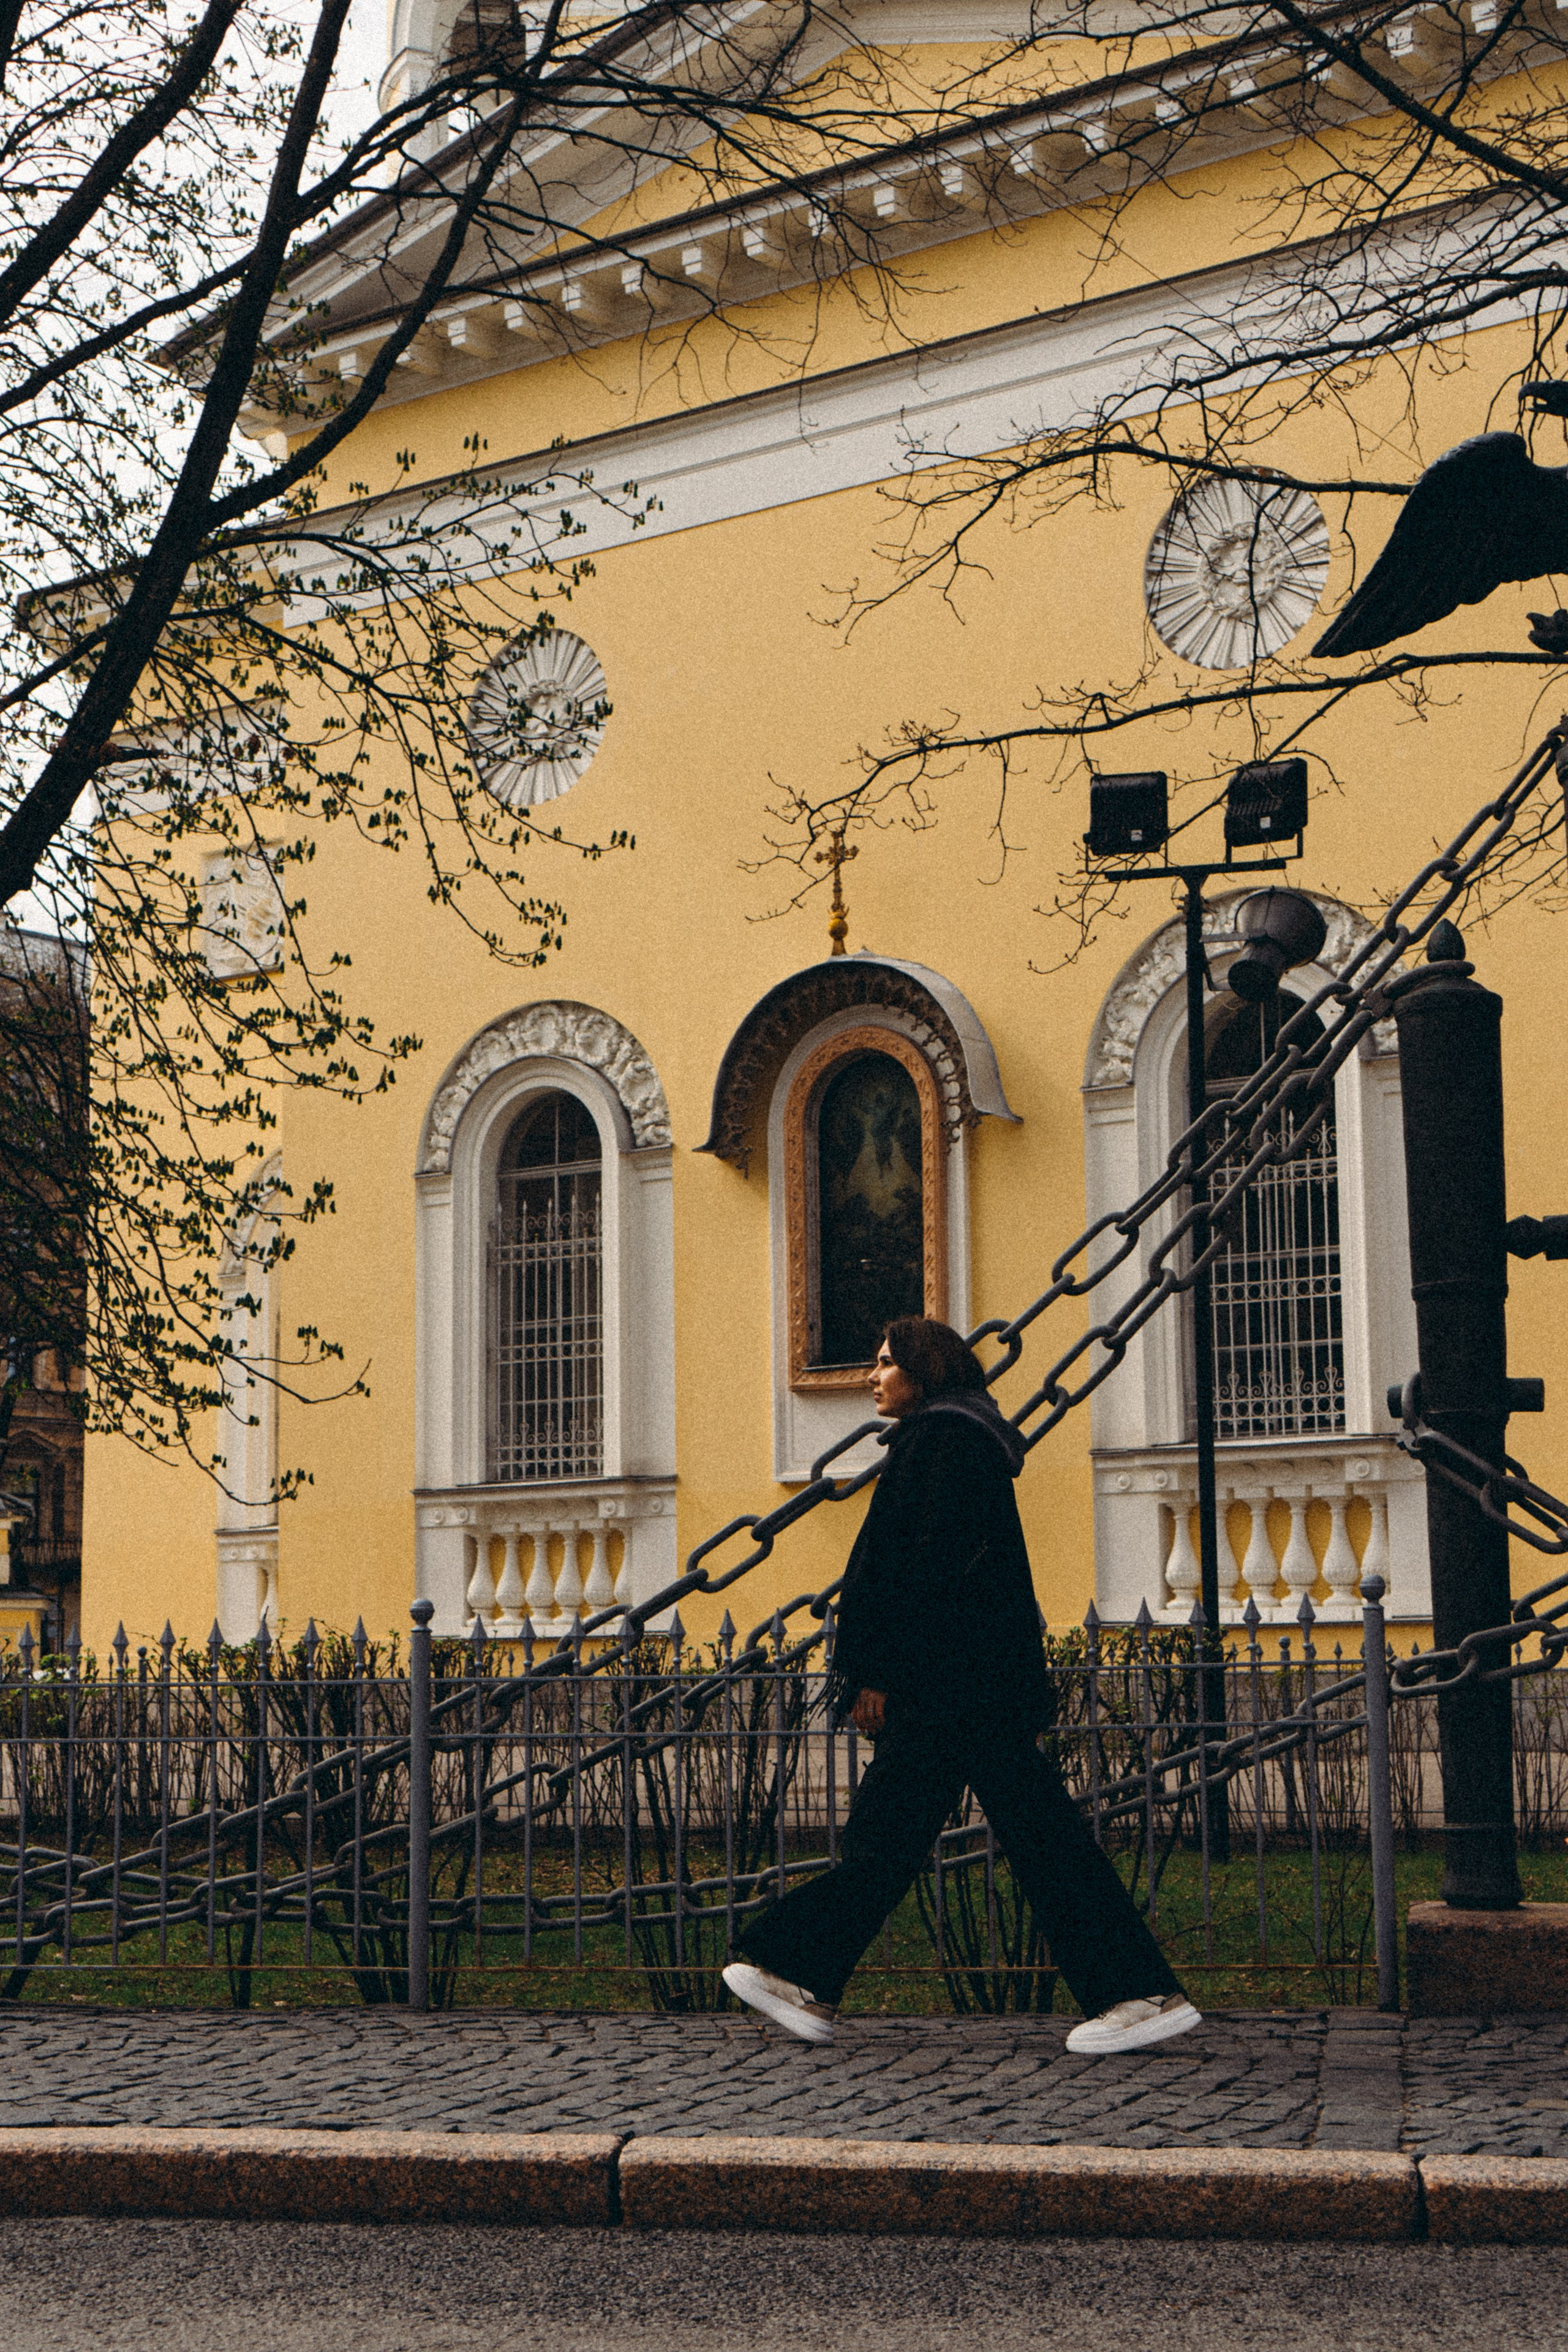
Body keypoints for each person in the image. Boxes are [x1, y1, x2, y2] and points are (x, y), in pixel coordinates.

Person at [722, 1316, 1201, 2056]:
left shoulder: (940, 1441)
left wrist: (878, 1673)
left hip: (950, 1691)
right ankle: (803, 1974)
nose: (872, 1377)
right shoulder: (954, 1438)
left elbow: (920, 1571)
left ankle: (1137, 1993)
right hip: (968, 1687)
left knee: (989, 1839)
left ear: (923, 1370)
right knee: (913, 1837)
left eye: (885, 1363)